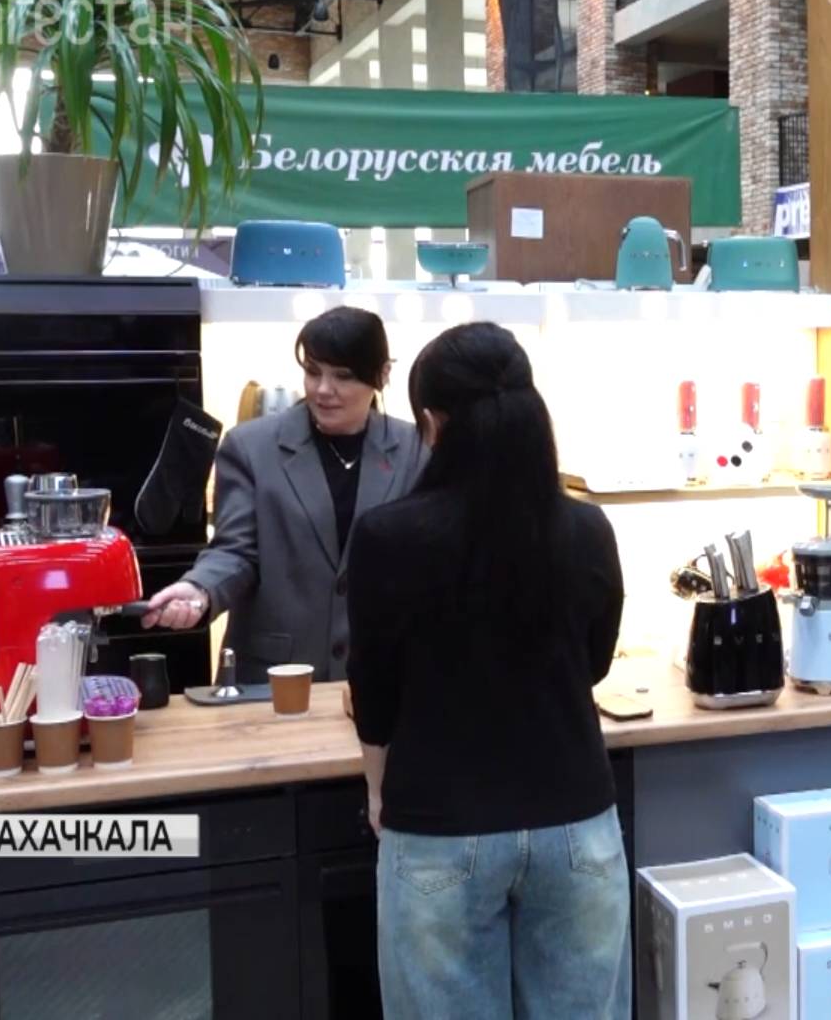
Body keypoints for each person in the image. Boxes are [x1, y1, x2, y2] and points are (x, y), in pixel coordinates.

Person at [347, 323, 629, 1019]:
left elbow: (374, 695)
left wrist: (379, 791)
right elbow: (593, 664)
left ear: (432, 422)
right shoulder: (587, 529)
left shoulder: (387, 536)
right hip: (577, 823)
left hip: (439, 825)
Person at [141, 307, 424, 684]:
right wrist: (199, 588)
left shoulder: (417, 450)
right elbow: (235, 550)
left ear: (383, 374)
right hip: (274, 677)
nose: (323, 389)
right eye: (313, 371)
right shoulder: (250, 447)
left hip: (381, 675)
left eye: (343, 376)